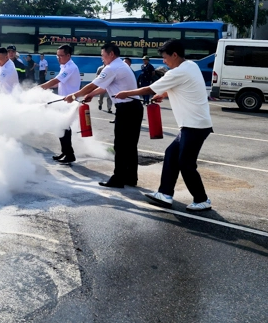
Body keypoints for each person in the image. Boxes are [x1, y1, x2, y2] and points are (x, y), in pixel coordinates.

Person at [115, 39, 214, 211]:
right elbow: (182, 87)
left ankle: (202, 199)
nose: (163, 61)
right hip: (192, 125)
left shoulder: (176, 72)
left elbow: (149, 89)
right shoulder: (191, 66)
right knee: (171, 154)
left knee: (186, 163)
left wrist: (126, 93)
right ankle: (165, 194)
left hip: (195, 126)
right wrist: (165, 94)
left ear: (175, 55)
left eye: (165, 57)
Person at [66, 43, 143, 188]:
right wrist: (91, 95)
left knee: (120, 145)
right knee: (130, 146)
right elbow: (103, 87)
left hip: (126, 109)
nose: (102, 59)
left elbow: (93, 84)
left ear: (111, 54)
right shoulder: (121, 66)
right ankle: (131, 177)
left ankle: (118, 179)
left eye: (103, 55)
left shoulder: (111, 68)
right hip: (134, 108)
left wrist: (74, 95)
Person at [40, 45, 81, 164]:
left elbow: (56, 80)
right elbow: (59, 84)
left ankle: (70, 154)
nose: (58, 58)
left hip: (69, 102)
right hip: (62, 101)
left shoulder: (70, 67)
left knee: (65, 128)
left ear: (68, 55)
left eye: (61, 55)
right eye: (57, 55)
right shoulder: (64, 66)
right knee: (61, 127)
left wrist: (39, 87)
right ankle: (65, 152)